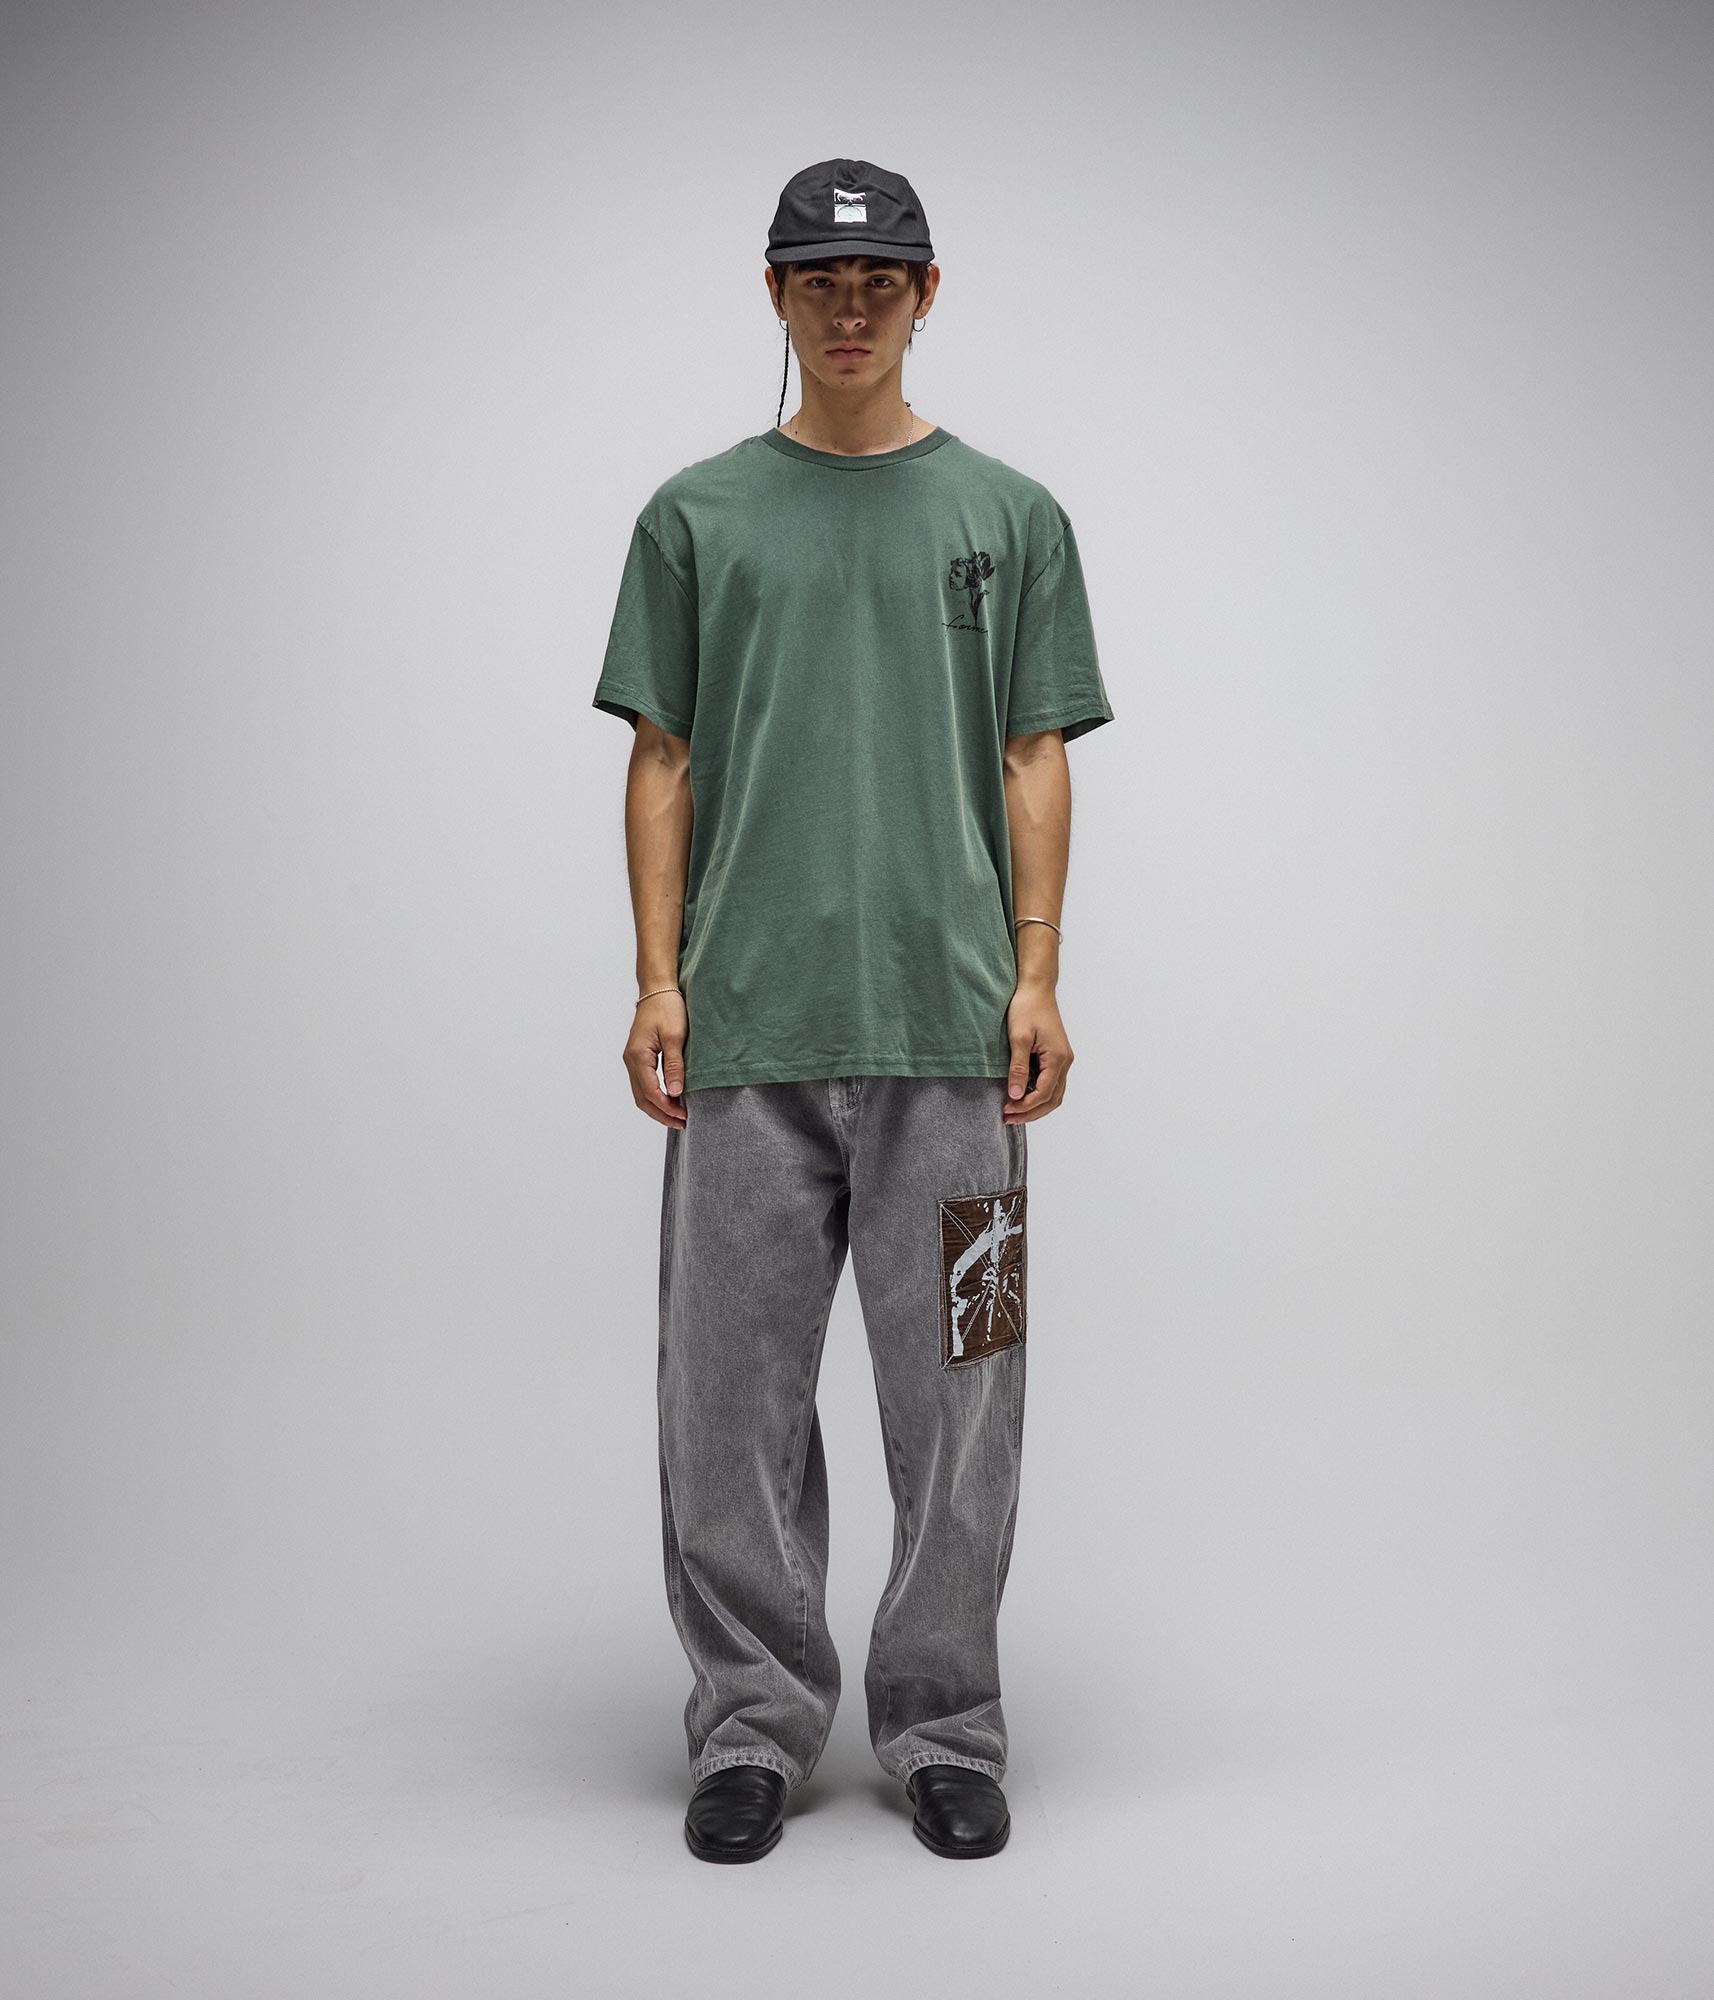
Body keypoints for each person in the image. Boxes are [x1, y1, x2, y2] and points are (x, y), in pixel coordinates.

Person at [592, 157, 1114, 1864]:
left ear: (926, 292)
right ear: (773, 292)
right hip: (745, 1036)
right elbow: (661, 756)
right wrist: (657, 979)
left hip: (957, 1049)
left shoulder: (1009, 517)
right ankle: (751, 1725)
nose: (848, 306)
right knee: (725, 1405)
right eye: (817, 279)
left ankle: (944, 1727)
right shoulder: (695, 517)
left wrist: (1035, 976)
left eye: (879, 277)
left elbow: (1033, 755)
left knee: (967, 1392)